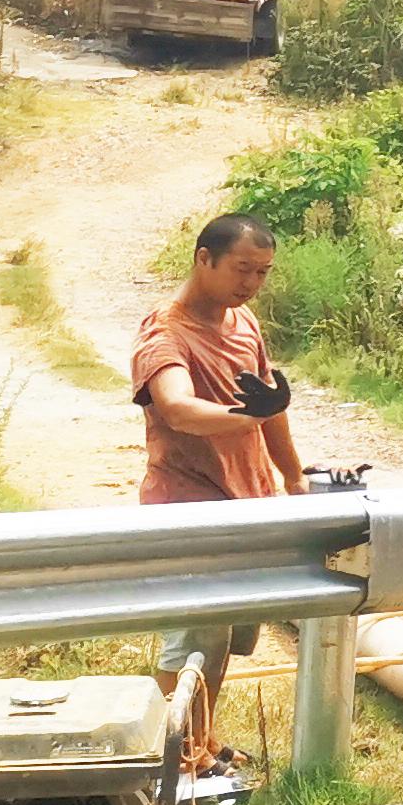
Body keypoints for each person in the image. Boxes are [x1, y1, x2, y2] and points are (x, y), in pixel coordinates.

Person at [133, 213, 305, 753]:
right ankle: (170, 755)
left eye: (263, 273)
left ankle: (199, 744)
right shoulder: (165, 331)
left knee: (226, 635)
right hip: (189, 503)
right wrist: (246, 416)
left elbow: (268, 405)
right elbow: (179, 409)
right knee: (193, 639)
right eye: (242, 269)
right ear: (203, 259)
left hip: (248, 500)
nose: (251, 283)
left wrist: (293, 476)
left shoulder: (244, 323)